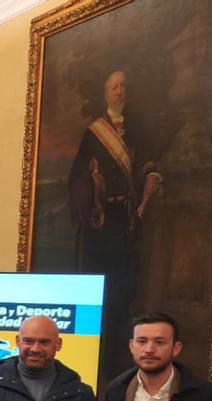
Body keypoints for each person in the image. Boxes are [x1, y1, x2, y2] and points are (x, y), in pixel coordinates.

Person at [68, 70, 164, 379]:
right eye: (114, 86)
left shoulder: (137, 130)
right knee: (102, 293)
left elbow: (149, 163)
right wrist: (92, 185)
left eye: (124, 86)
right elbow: (76, 179)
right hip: (102, 225)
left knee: (126, 291)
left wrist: (151, 178)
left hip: (128, 221)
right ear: (105, 93)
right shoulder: (93, 133)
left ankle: (122, 360)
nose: (119, 91)